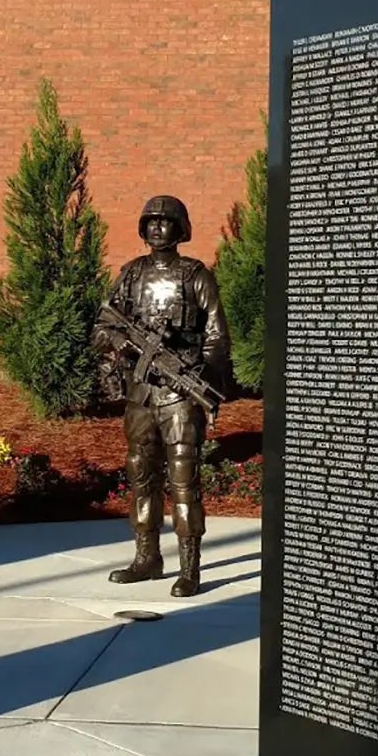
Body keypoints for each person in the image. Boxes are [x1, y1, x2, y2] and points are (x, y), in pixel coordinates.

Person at [93, 195, 229, 597]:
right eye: (150, 221)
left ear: (180, 229)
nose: (156, 228)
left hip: (180, 394)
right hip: (141, 395)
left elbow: (217, 337)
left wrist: (198, 374)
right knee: (141, 474)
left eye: (165, 221)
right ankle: (146, 558)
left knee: (184, 479)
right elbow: (102, 327)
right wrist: (120, 344)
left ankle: (189, 568)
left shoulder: (196, 276)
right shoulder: (131, 274)